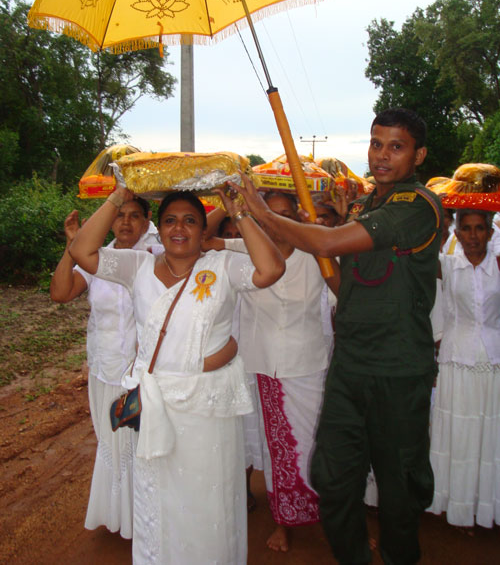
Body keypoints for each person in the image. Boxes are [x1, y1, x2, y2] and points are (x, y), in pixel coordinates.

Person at [232, 108, 443, 564]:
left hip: (398, 370)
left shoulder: (418, 206)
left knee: (399, 485)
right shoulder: (368, 206)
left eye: (396, 146)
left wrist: (261, 211)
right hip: (350, 366)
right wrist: (315, 246)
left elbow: (325, 245)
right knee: (331, 476)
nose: (382, 155)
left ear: (418, 154)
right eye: (376, 143)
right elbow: (344, 286)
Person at [69, 186, 285, 564]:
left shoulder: (222, 266)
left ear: (204, 231)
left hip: (207, 411)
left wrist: (239, 212)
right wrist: (119, 196)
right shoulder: (137, 266)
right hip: (156, 408)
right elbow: (82, 252)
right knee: (159, 499)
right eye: (170, 220)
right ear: (159, 227)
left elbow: (271, 269)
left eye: (190, 221)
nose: (179, 228)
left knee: (206, 498)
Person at [206, 190, 335, 552]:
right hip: (264, 366)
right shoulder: (244, 251)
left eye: (284, 214)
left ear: (296, 217)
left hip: (308, 364)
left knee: (317, 446)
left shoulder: (318, 254)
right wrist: (229, 207)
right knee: (281, 451)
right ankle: (284, 521)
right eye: (269, 215)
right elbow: (203, 239)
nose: (276, 222)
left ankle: (331, 515)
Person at [50, 196, 153, 539]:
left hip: (146, 374)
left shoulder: (158, 255)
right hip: (105, 367)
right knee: (113, 443)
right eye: (119, 216)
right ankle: (120, 516)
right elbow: (61, 293)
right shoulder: (97, 255)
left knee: (142, 444)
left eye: (134, 216)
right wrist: (74, 246)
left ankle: (147, 519)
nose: (125, 223)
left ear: (147, 219)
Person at [428, 209, 500, 530]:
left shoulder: (498, 267)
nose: (473, 236)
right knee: (456, 432)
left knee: (488, 435)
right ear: (455, 232)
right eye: (466, 229)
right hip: (455, 362)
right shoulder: (446, 267)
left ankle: (483, 506)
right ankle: (453, 505)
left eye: (480, 229)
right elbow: (435, 304)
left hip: (492, 364)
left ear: (490, 232)